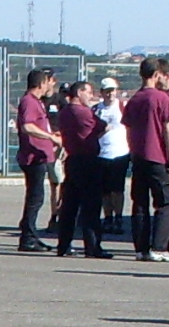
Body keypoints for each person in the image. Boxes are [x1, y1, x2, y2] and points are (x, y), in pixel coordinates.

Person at [121, 58, 169, 260]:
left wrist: (133, 150)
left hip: (138, 157)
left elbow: (128, 129)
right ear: (156, 74)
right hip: (157, 157)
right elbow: (168, 128)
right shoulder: (161, 98)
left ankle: (141, 249)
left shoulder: (134, 99)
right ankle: (159, 247)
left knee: (140, 203)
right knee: (164, 202)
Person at [53, 77, 110, 257]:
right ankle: (92, 246)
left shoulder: (64, 113)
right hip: (88, 160)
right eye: (89, 92)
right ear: (79, 93)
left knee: (69, 206)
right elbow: (103, 126)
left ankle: (64, 245)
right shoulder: (84, 112)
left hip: (72, 160)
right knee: (91, 206)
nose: (91, 96)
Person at [14, 68, 61, 251]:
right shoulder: (29, 102)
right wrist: (49, 137)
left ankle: (31, 234)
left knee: (37, 197)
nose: (50, 85)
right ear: (41, 83)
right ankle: (27, 237)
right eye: (47, 82)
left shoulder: (37, 102)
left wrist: (51, 136)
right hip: (32, 157)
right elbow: (27, 126)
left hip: (41, 156)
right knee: (35, 198)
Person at [94, 72, 131, 247]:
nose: (110, 94)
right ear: (101, 92)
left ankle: (118, 217)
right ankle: (107, 217)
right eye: (107, 91)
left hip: (120, 153)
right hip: (102, 153)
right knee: (104, 191)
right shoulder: (96, 109)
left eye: (113, 90)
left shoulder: (123, 107)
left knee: (117, 189)